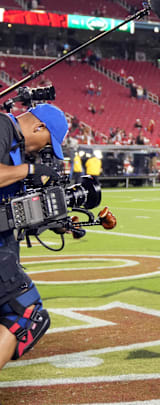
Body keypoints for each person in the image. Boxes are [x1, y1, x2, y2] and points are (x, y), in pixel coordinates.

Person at [0, 103, 68, 369]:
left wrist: (58, 221)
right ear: (39, 126)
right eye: (47, 142)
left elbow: (13, 209)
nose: (43, 149)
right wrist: (30, 171)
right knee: (25, 314)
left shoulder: (14, 145)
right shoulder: (3, 126)